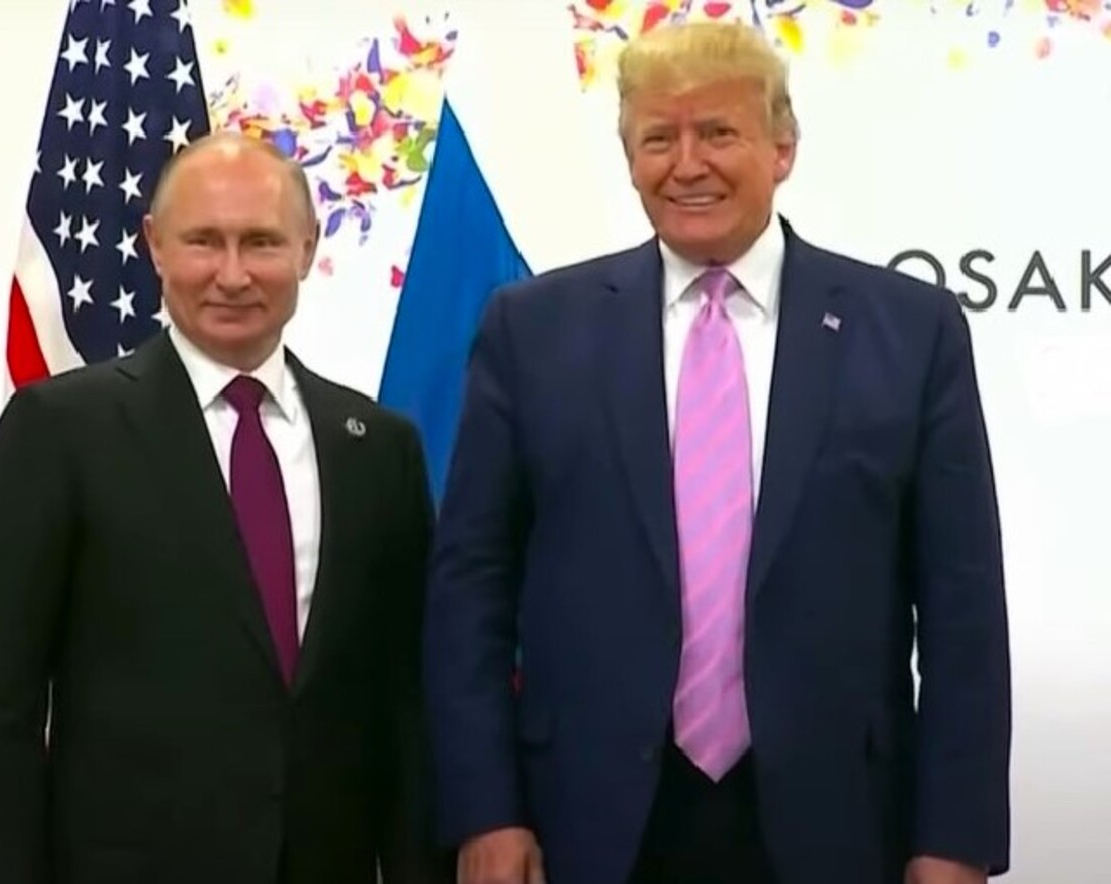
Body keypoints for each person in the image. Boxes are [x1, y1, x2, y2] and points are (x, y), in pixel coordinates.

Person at [423, 20, 1010, 884]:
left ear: (783, 148)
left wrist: (955, 837)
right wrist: (485, 811)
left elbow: (963, 607)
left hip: (840, 824)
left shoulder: (911, 330)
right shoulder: (532, 330)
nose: (687, 165)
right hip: (584, 823)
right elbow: (471, 587)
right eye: (659, 139)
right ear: (630, 159)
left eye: (719, 133)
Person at [0, 132, 452, 884]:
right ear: (155, 245)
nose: (233, 274)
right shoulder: (58, 431)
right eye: (203, 241)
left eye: (261, 242)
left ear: (308, 248)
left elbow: (403, 701)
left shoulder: (379, 447)